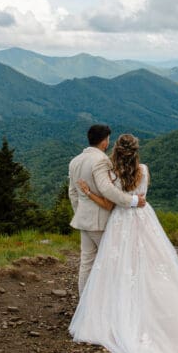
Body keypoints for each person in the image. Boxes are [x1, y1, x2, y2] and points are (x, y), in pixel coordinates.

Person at [69, 133, 178, 353]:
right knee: (150, 264)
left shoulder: (112, 174)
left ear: (115, 151)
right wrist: (136, 200)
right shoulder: (144, 170)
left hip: (119, 223)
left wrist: (88, 193)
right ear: (136, 151)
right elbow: (142, 196)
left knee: (115, 266)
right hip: (145, 220)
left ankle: (108, 308)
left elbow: (109, 204)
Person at [68, 124, 146, 295]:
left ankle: (85, 303)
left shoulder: (75, 161)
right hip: (101, 220)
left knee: (86, 262)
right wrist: (133, 200)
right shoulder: (101, 160)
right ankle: (108, 301)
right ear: (104, 141)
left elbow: (72, 192)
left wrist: (80, 212)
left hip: (83, 220)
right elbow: (107, 190)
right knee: (111, 262)